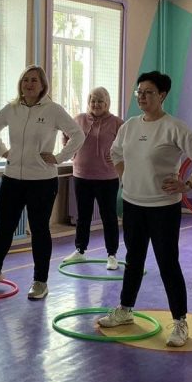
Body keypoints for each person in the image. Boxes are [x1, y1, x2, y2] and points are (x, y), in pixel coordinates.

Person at [96, 71, 192, 347]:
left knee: (167, 264)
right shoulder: (129, 126)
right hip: (133, 205)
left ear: (162, 95)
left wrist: (188, 183)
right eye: (139, 92)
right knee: (133, 261)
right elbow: (115, 152)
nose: (142, 97)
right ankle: (125, 309)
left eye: (148, 92)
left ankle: (180, 321)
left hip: (163, 208)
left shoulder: (173, 127)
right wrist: (125, 176)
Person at [0, 65, 85, 300]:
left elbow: (78, 134)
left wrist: (59, 158)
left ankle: (40, 281)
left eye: (34, 80)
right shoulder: (12, 108)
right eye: (25, 80)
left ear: (43, 85)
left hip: (42, 181)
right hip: (12, 178)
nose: (29, 84)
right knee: (3, 228)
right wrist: (5, 152)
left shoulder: (53, 110)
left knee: (39, 230)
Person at [63, 87, 124, 271]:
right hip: (81, 176)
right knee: (83, 216)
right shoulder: (79, 119)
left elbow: (128, 145)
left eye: (100, 101)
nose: (96, 104)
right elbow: (65, 136)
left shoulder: (117, 123)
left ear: (107, 103)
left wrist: (118, 157)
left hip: (107, 178)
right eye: (93, 101)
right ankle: (80, 250)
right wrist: (70, 152)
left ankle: (112, 255)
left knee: (109, 217)